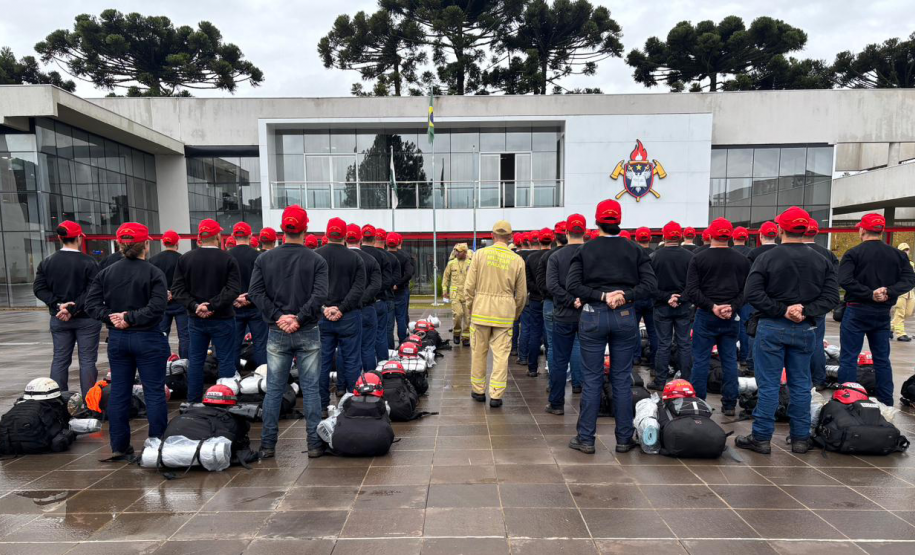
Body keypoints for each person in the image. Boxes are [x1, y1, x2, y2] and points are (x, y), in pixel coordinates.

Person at [737, 207, 839, 454]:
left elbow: (752, 294)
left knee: (769, 385)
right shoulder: (821, 259)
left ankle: (761, 438)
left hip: (772, 326)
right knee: (801, 385)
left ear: (781, 229)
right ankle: (801, 438)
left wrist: (782, 310)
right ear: (806, 229)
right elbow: (831, 297)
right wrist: (804, 310)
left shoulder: (767, 257)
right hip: (804, 329)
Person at [567, 199, 657, 454]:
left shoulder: (585, 250)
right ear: (619, 220)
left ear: (596, 222)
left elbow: (572, 285)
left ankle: (586, 438)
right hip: (624, 316)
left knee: (592, 379)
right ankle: (623, 438)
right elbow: (650, 286)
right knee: (621, 379)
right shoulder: (635, 250)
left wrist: (601, 296)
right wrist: (625, 296)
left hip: (594, 315)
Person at [248, 205, 328, 458]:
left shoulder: (264, 258)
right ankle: (314, 443)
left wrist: (279, 317)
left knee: (274, 388)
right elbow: (319, 295)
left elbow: (256, 293)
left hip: (278, 331)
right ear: (306, 228)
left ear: (283, 228)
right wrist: (299, 318)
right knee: (311, 389)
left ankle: (268, 444)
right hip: (307, 330)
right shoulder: (316, 260)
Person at [85, 222, 169, 460]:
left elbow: (91, 305)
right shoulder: (154, 273)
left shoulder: (106, 272)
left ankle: (119, 446)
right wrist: (129, 318)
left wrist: (114, 318)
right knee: (153, 392)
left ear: (120, 245)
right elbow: (157, 308)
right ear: (146, 243)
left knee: (120, 392)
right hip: (148, 338)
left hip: (119, 339)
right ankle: (156, 444)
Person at [837, 213, 915, 406]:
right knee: (882, 359)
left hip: (857, 309)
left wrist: (869, 293)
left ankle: (847, 400)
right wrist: (889, 291)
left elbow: (844, 280)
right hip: (882, 313)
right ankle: (886, 401)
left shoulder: (853, 253)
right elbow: (909, 279)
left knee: (849, 358)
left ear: (862, 229)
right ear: (882, 231)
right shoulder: (897, 255)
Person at [684, 218, 750, 416]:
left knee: (701, 360)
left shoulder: (698, 258)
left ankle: (698, 402)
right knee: (729, 360)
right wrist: (732, 307)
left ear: (710, 235)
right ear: (729, 236)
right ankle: (729, 404)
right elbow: (747, 290)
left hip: (706, 315)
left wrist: (712, 307)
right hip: (730, 317)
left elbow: (692, 290)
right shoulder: (742, 260)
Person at [171, 219, 241, 403]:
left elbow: (178, 290)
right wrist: (212, 305)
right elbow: (232, 289)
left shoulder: (185, 259)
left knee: (195, 361)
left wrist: (196, 306)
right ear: (218, 236)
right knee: (225, 360)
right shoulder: (228, 258)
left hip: (196, 319)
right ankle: (224, 400)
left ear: (199, 237)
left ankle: (193, 400)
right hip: (223, 318)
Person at [33, 220, 102, 397]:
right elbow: (93, 290)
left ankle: (57, 400)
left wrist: (58, 305)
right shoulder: (89, 262)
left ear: (59, 238)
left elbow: (39, 288)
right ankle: (89, 402)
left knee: (60, 360)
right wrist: (73, 308)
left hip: (59, 318)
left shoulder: (47, 262)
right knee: (87, 361)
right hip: (86, 318)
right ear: (79, 237)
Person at [464, 220, 527, 408]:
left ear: (492, 236)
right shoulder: (517, 260)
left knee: (478, 353)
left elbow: (469, 287)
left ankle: (478, 391)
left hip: (481, 311)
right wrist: (514, 313)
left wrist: (471, 307)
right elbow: (522, 294)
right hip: (504, 314)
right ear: (510, 237)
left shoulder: (479, 255)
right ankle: (497, 395)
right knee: (501, 356)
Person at [316, 218, 366, 409]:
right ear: (345, 236)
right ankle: (353, 405)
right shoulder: (355, 258)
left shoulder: (316, 256)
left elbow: (313, 288)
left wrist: (325, 308)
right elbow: (358, 288)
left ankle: (321, 406)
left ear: (327, 234)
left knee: (322, 363)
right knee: (352, 361)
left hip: (323, 316)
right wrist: (342, 308)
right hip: (349, 316)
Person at [545, 214, 587, 414]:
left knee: (559, 359)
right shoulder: (590, 254)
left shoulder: (556, 256)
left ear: (566, 232)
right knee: (589, 359)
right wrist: (582, 299)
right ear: (585, 232)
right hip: (587, 314)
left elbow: (552, 285)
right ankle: (588, 402)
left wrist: (570, 300)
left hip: (563, 314)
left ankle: (556, 403)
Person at [648, 221, 694, 390]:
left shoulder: (654, 257)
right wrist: (680, 298)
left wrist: (668, 297)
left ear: (663, 236)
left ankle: (660, 381)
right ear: (680, 236)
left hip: (662, 306)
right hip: (682, 306)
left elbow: (650, 286)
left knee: (664, 344)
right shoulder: (689, 257)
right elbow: (693, 285)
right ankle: (686, 380)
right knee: (684, 343)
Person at [803, 219, 839, 389]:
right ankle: (818, 379)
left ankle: (800, 379)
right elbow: (835, 281)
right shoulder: (827, 255)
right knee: (816, 342)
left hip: (793, 308)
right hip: (818, 306)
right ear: (816, 233)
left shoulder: (789, 252)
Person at [227, 222, 268, 370]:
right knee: (260, 345)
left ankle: (233, 377)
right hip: (255, 306)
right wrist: (249, 297)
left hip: (233, 307)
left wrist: (235, 298)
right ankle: (263, 377)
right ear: (250, 236)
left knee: (233, 345)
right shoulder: (258, 256)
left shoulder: (227, 256)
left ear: (233, 236)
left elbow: (222, 283)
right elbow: (265, 282)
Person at [345, 223, 381, 373]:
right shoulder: (371, 259)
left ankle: (343, 385)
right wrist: (361, 300)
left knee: (346, 350)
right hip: (366, 308)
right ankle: (371, 381)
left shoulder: (343, 258)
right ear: (359, 239)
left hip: (345, 311)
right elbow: (375, 285)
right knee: (367, 348)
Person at [149, 230, 189, 359]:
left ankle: (163, 360)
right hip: (181, 302)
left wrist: (164, 292)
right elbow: (187, 281)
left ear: (163, 242)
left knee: (161, 334)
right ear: (177, 243)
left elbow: (150, 281)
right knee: (184, 336)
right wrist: (174, 292)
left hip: (161, 303)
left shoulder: (153, 260)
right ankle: (185, 361)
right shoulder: (183, 259)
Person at [361, 224, 395, 362]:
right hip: (379, 300)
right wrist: (374, 291)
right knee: (380, 336)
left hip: (356, 304)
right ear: (374, 238)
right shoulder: (383, 256)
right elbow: (388, 281)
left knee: (357, 340)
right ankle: (382, 366)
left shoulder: (355, 254)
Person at [536, 224, 565, 379]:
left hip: (550, 302)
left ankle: (554, 378)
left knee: (553, 342)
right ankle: (576, 383)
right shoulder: (580, 253)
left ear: (556, 236)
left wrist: (548, 295)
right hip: (573, 304)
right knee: (575, 343)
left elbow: (541, 282)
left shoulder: (548, 256)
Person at [524, 228, 551, 377]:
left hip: (534, 299)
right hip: (549, 299)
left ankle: (533, 367)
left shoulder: (531, 258)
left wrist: (537, 290)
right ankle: (548, 365)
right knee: (549, 334)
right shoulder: (553, 255)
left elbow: (527, 281)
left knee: (534, 333)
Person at [631, 227, 658, 369]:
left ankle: (636, 357)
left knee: (634, 328)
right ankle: (654, 359)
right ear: (651, 239)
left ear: (636, 239)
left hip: (636, 296)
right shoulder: (655, 254)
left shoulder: (633, 255)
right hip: (651, 298)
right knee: (653, 330)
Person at [442, 243, 472, 345]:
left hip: (468, 294)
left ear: (464, 252)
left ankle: (466, 337)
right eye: (455, 251)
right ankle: (456, 334)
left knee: (468, 317)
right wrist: (444, 290)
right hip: (455, 294)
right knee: (458, 314)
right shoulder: (451, 263)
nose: (456, 253)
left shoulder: (471, 263)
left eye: (459, 251)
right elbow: (445, 277)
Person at [375, 228, 400, 350]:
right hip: (387, 297)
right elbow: (395, 278)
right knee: (387, 329)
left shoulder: (366, 255)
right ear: (384, 240)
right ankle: (388, 353)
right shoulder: (391, 257)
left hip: (369, 300)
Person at [388, 232, 414, 344]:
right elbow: (409, 273)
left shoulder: (384, 256)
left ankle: (389, 346)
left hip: (387, 293)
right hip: (401, 291)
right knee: (401, 319)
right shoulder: (404, 257)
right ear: (399, 242)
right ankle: (403, 342)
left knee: (389, 322)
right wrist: (398, 284)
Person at [515, 232, 535, 365]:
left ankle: (519, 353)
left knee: (516, 324)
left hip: (516, 295)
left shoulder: (515, 257)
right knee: (532, 328)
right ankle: (530, 355)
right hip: (533, 296)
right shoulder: (541, 255)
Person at [891, 243, 914, 342]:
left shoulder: (912, 264)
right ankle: (901, 334)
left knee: (908, 313)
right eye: (903, 250)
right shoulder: (895, 263)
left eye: (907, 250)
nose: (906, 251)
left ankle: (890, 327)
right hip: (900, 293)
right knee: (900, 313)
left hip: (910, 292)